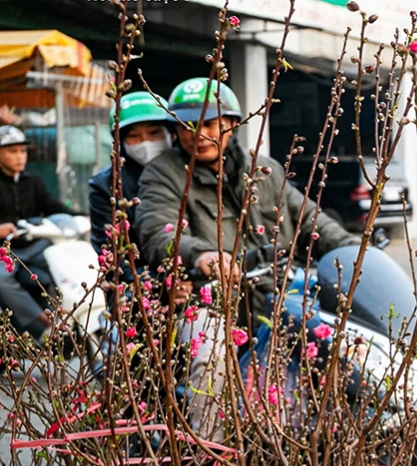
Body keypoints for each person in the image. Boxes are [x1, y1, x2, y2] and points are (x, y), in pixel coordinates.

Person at [135, 78, 357, 437]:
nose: (199, 133)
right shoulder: (163, 174)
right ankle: (209, 465)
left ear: (231, 125)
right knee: (210, 359)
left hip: (279, 300)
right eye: (189, 124)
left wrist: (355, 254)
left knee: (349, 350)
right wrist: (202, 254)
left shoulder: (265, 171)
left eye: (210, 123)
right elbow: (157, 228)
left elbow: (311, 220)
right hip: (208, 304)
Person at [88, 91, 174, 283]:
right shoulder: (105, 185)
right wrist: (154, 284)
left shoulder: (186, 171)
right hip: (138, 291)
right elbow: (110, 252)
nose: (146, 143)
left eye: (154, 133)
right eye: (134, 137)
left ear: (171, 134)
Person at [0, 125, 71, 340]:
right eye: (12, 151)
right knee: (1, 279)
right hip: (6, 251)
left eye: (22, 151)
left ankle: (73, 313)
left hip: (36, 246)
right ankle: (42, 319)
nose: (20, 157)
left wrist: (82, 217)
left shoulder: (33, 180)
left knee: (66, 262)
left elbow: (54, 206)